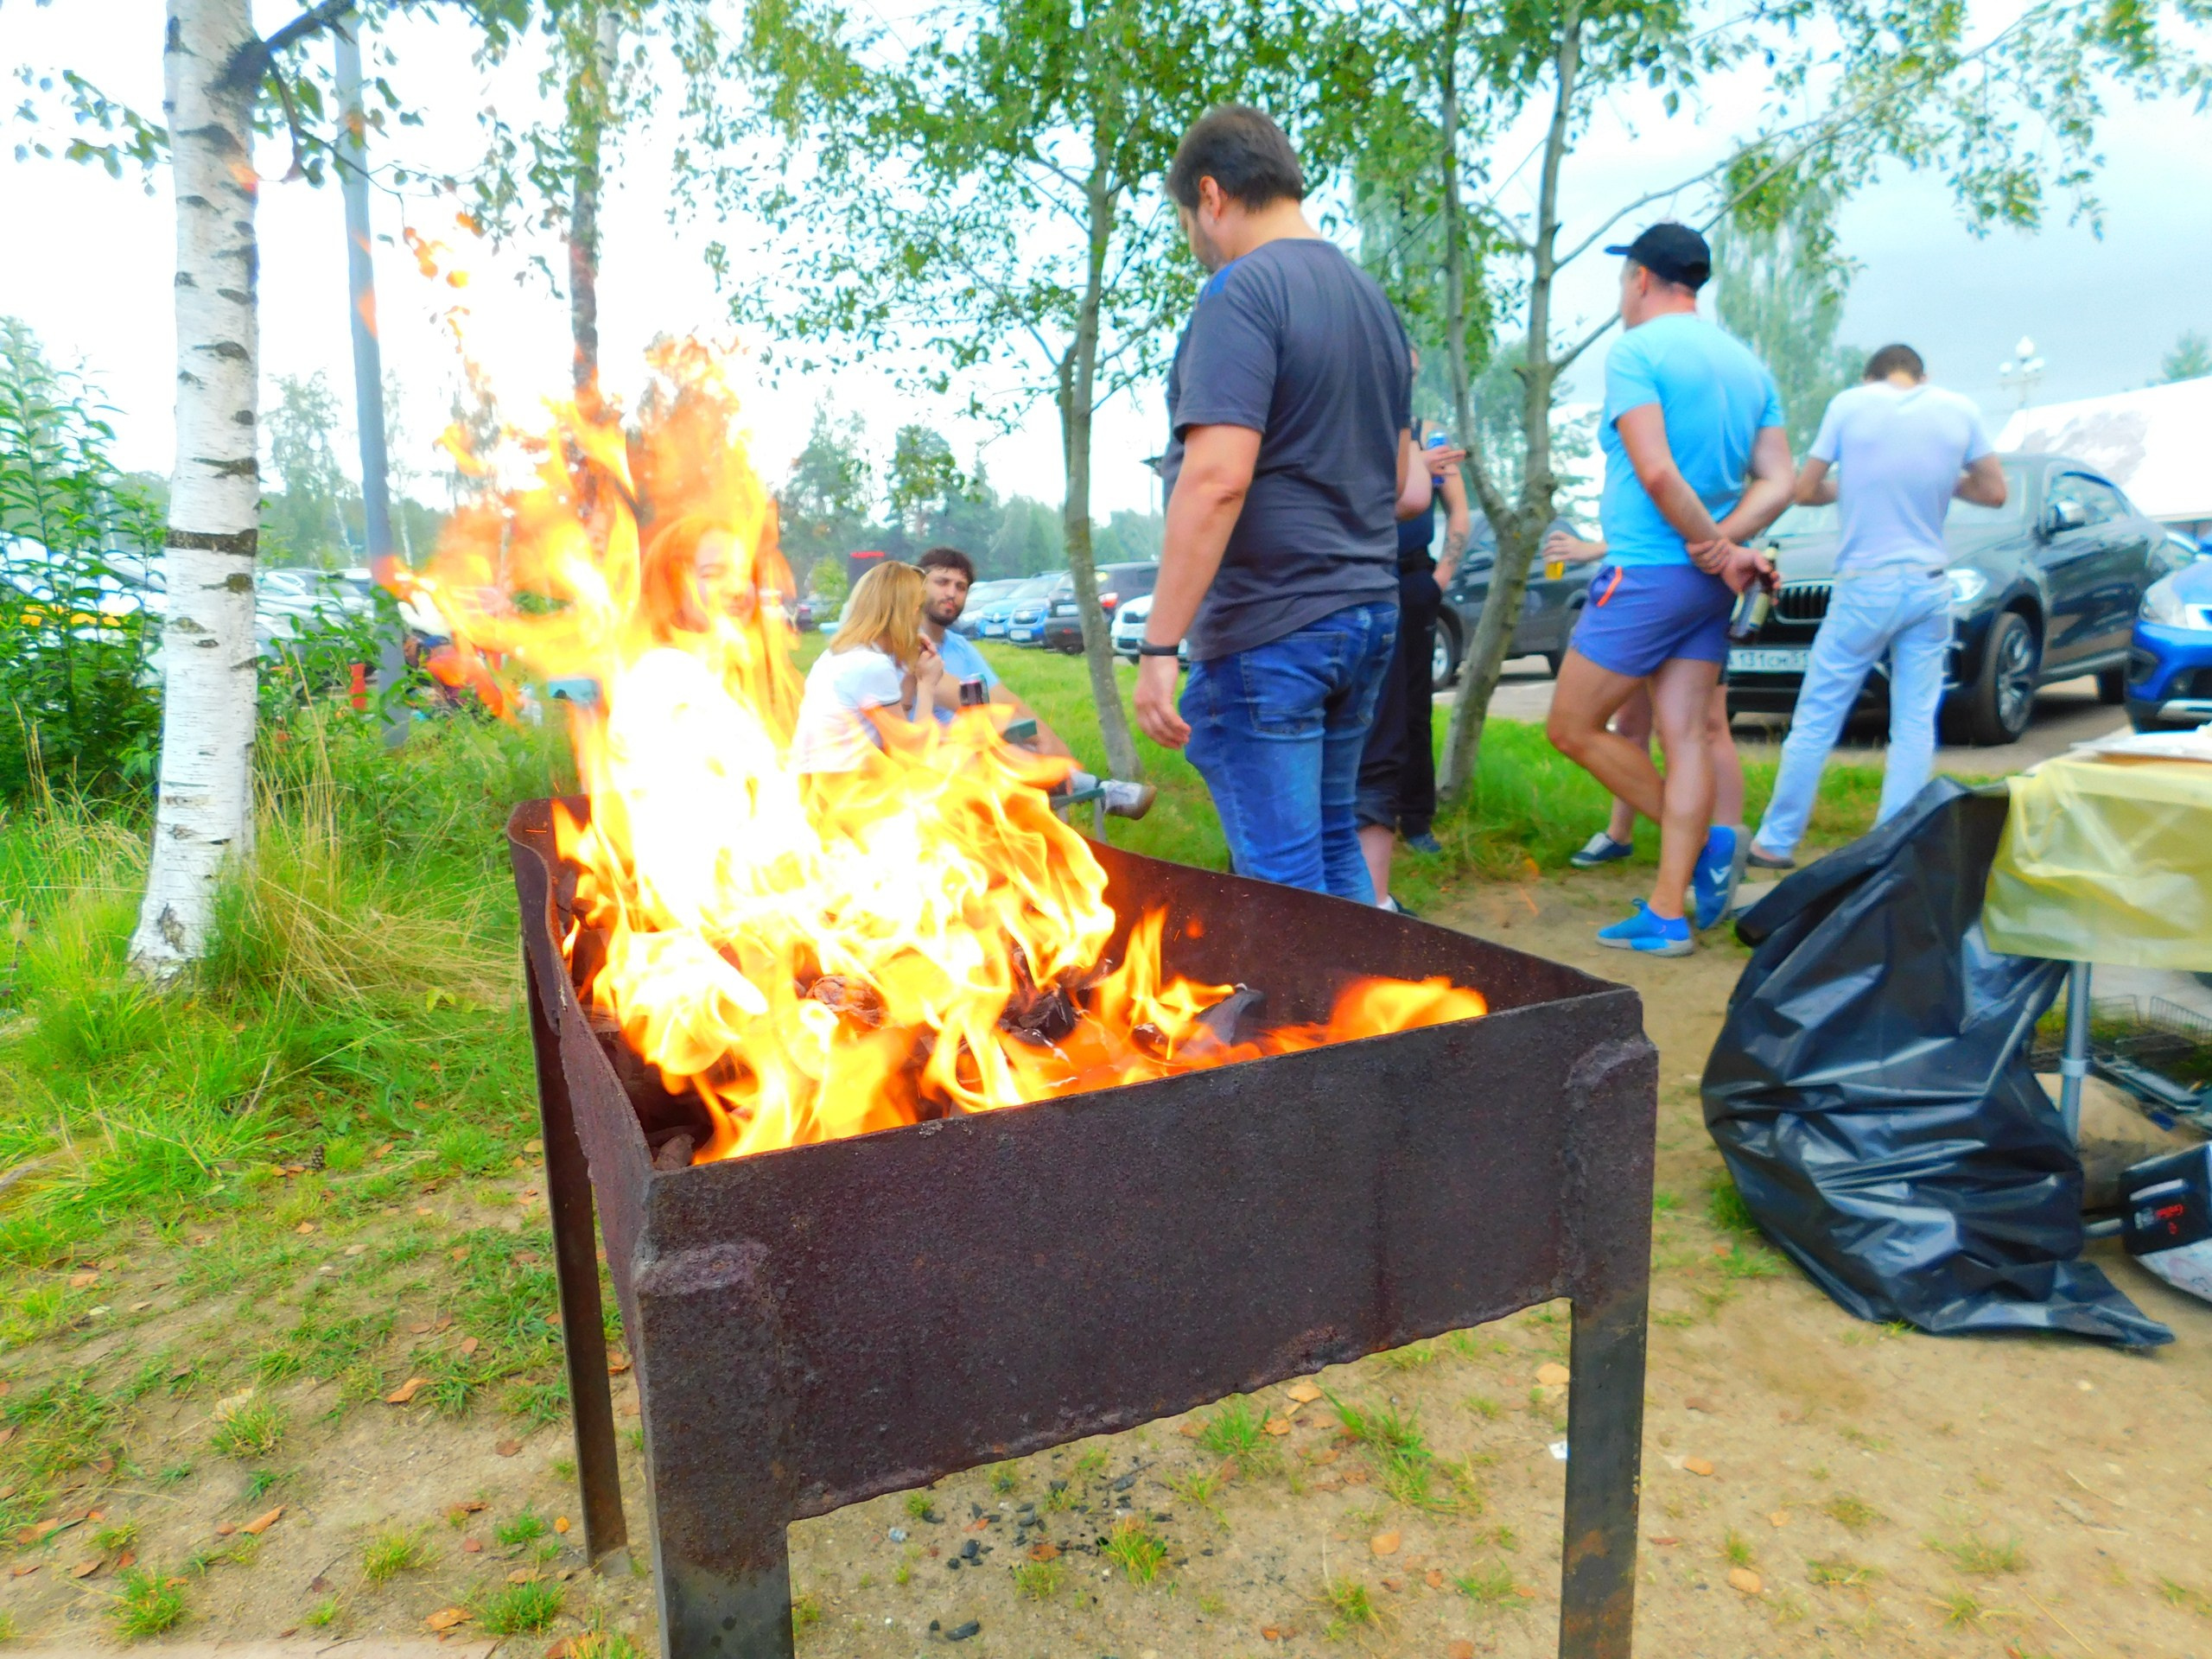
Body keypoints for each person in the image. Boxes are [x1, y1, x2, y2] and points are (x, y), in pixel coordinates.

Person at [1131, 105, 1414, 902]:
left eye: (1189, 219)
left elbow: (1216, 478)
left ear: (1211, 196)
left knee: (1283, 891)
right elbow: (1398, 483)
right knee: (1333, 848)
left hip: (1273, 629)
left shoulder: (1241, 292)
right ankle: (1377, 1024)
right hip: (1364, 612)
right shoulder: (1371, 301)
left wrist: (1159, 648)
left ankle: (1317, 1030)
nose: (1196, 240)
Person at [1542, 222, 1794, 957]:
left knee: (1571, 725)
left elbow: (1654, 472)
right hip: (1704, 587)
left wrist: (1709, 544)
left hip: (1648, 573)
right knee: (1684, 737)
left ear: (1643, 279)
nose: (1624, 293)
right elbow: (1779, 479)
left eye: (1625, 280)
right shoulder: (1750, 366)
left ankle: (1713, 842)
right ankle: (1665, 915)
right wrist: (1725, 546)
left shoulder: (1637, 352)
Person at [1746, 345, 2006, 868]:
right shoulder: (1960, 410)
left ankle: (1776, 841)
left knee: (1818, 715)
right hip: (1930, 585)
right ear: (1922, 374)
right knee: (1914, 720)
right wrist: (1939, 480)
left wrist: (1855, 485)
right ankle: (1893, 842)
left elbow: (1803, 489)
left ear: (1870, 377)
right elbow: (1995, 492)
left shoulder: (1850, 404)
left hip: (1866, 585)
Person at [1544, 522, 1750, 874]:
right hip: (1645, 586)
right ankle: (1621, 835)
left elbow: (1668, 507)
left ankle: (1725, 848)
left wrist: (1592, 549)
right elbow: (1645, 516)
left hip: (1677, 586)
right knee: (1629, 725)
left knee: (1705, 727)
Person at [913, 545, 1156, 819]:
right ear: (920, 585)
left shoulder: (959, 646)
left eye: (961, 587)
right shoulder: (907, 641)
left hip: (981, 746)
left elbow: (1003, 697)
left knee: (1011, 743)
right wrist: (1038, 738)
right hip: (932, 758)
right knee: (996, 740)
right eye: (942, 582)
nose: (951, 593)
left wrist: (1052, 742)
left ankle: (1076, 786)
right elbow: (966, 699)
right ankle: (1090, 786)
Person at [1355, 361, 1473, 908]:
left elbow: (1459, 514)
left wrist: (1438, 577)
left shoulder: (1431, 432)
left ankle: (1417, 819)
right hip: (1357, 579)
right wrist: (1411, 467)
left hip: (1410, 579)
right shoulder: (1357, 428)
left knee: (1412, 707)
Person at [791, 560, 942, 773]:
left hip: (817, 790)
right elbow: (913, 757)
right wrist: (927, 685)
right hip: (844, 794)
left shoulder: (835, 655)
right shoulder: (871, 664)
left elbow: (897, 734)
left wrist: (911, 672)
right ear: (909, 613)